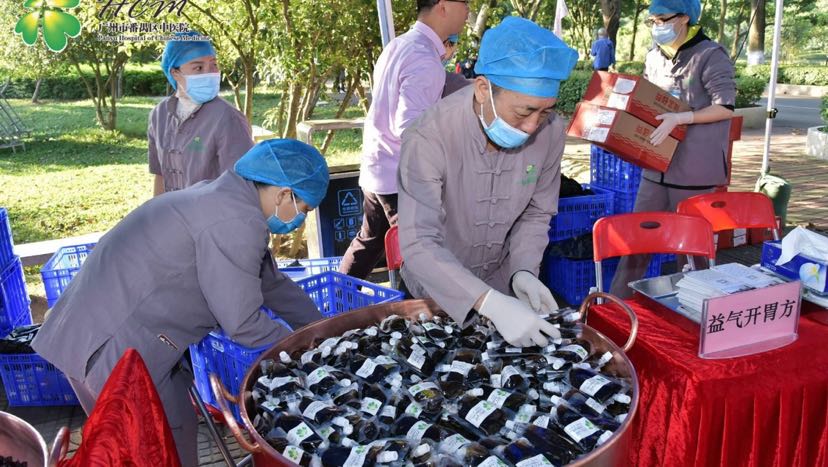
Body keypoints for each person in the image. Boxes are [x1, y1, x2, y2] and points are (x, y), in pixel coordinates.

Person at [32, 139, 330, 466]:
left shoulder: (229, 200)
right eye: (304, 209)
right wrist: (303, 354)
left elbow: (270, 283)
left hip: (98, 330)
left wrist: (323, 333)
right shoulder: (235, 222)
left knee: (177, 426)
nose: (299, 220)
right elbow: (243, 323)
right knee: (156, 448)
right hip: (111, 349)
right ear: (284, 194)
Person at [397, 17, 578, 347]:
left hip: (504, 284)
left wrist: (523, 270)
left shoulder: (551, 133)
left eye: (544, 112)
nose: (532, 126)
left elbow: (536, 212)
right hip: (434, 293)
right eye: (523, 112)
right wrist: (487, 302)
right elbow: (419, 241)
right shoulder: (428, 137)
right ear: (483, 90)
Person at [609, 0, 736, 297]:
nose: (657, 26)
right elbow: (647, 97)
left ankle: (696, 304)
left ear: (684, 18)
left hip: (694, 168)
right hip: (656, 164)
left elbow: (725, 106)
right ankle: (615, 306)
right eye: (652, 20)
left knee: (692, 248)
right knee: (638, 239)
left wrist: (683, 118)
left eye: (663, 19)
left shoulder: (710, 55)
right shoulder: (655, 55)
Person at [338, 0, 467, 280]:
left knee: (369, 242)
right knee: (421, 253)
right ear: (443, 6)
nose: (468, 10)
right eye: (465, 3)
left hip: (378, 165)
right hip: (401, 176)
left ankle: (337, 299)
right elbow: (410, 127)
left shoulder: (400, 45)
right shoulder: (424, 58)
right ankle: (416, 308)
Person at [149, 31, 254, 196]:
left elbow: (242, 185)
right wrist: (158, 209)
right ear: (175, 73)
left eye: (214, 64)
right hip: (172, 210)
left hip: (212, 211)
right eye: (198, 67)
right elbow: (160, 175)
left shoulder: (227, 117)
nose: (210, 73)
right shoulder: (160, 115)